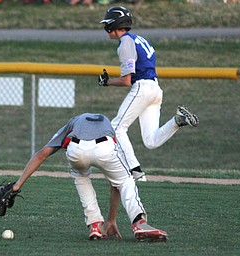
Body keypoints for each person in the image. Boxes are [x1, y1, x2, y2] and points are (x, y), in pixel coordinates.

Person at [11, 113, 167, 241]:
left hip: (76, 149)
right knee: (124, 181)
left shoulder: (72, 123)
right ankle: (139, 222)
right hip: (105, 146)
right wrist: (111, 219)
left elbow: (41, 154)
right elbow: (115, 186)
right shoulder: (109, 127)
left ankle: (94, 225)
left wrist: (17, 185)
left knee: (81, 177)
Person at [98, 6, 199, 180]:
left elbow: (126, 80)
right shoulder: (138, 39)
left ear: (113, 24)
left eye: (107, 23)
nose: (106, 27)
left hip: (142, 88)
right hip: (155, 89)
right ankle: (177, 121)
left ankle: (135, 171)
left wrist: (107, 82)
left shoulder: (126, 43)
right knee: (151, 141)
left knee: (116, 127)